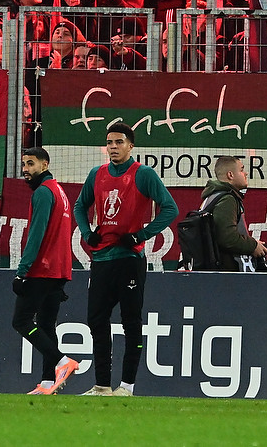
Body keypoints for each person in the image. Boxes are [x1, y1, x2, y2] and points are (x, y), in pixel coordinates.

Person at [71, 120, 178, 396]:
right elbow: (80, 206)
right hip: (102, 259)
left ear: (131, 145)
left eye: (119, 142)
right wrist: (86, 232)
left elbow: (170, 209)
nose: (113, 147)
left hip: (129, 259)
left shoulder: (143, 174)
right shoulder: (97, 174)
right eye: (109, 142)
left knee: (131, 321)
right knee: (96, 320)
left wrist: (142, 234)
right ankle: (102, 385)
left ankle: (127, 386)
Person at [14, 146, 83, 394]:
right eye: (23, 165)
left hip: (42, 269)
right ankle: (45, 383)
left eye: (30, 164)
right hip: (58, 269)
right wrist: (63, 273)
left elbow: (37, 233)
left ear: (45, 165)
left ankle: (63, 362)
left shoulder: (43, 193)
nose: (25, 170)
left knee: (21, 321)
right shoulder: (59, 191)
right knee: (45, 324)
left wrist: (22, 271)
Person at [199, 153, 267, 270]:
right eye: (242, 170)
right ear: (230, 175)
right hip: (226, 275)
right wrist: (253, 246)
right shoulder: (227, 199)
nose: (246, 173)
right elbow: (227, 238)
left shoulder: (212, 197)